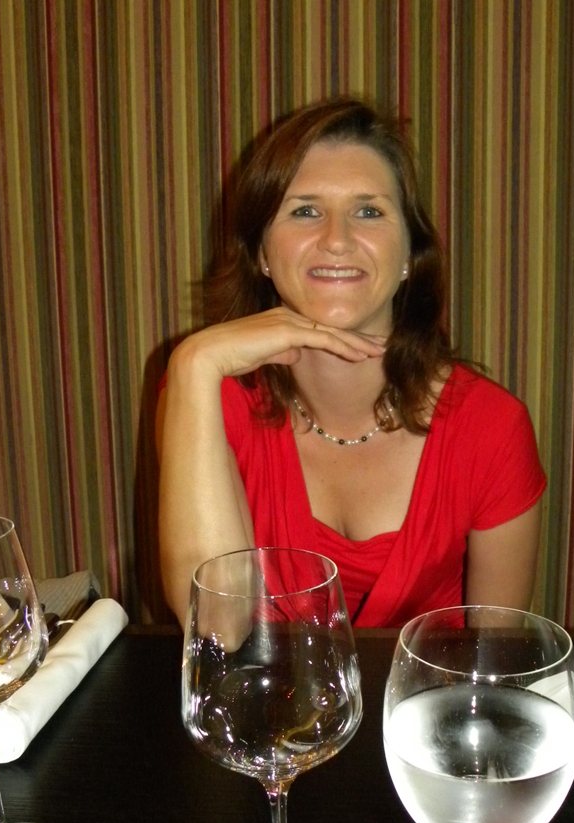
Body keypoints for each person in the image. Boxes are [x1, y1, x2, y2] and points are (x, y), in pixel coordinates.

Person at [156, 98, 546, 628]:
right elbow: (218, 627)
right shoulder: (206, 396)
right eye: (305, 211)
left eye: (368, 211)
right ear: (263, 254)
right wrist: (194, 362)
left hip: (428, 687)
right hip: (263, 687)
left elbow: (496, 656)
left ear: (408, 255)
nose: (336, 240)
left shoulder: (492, 428)